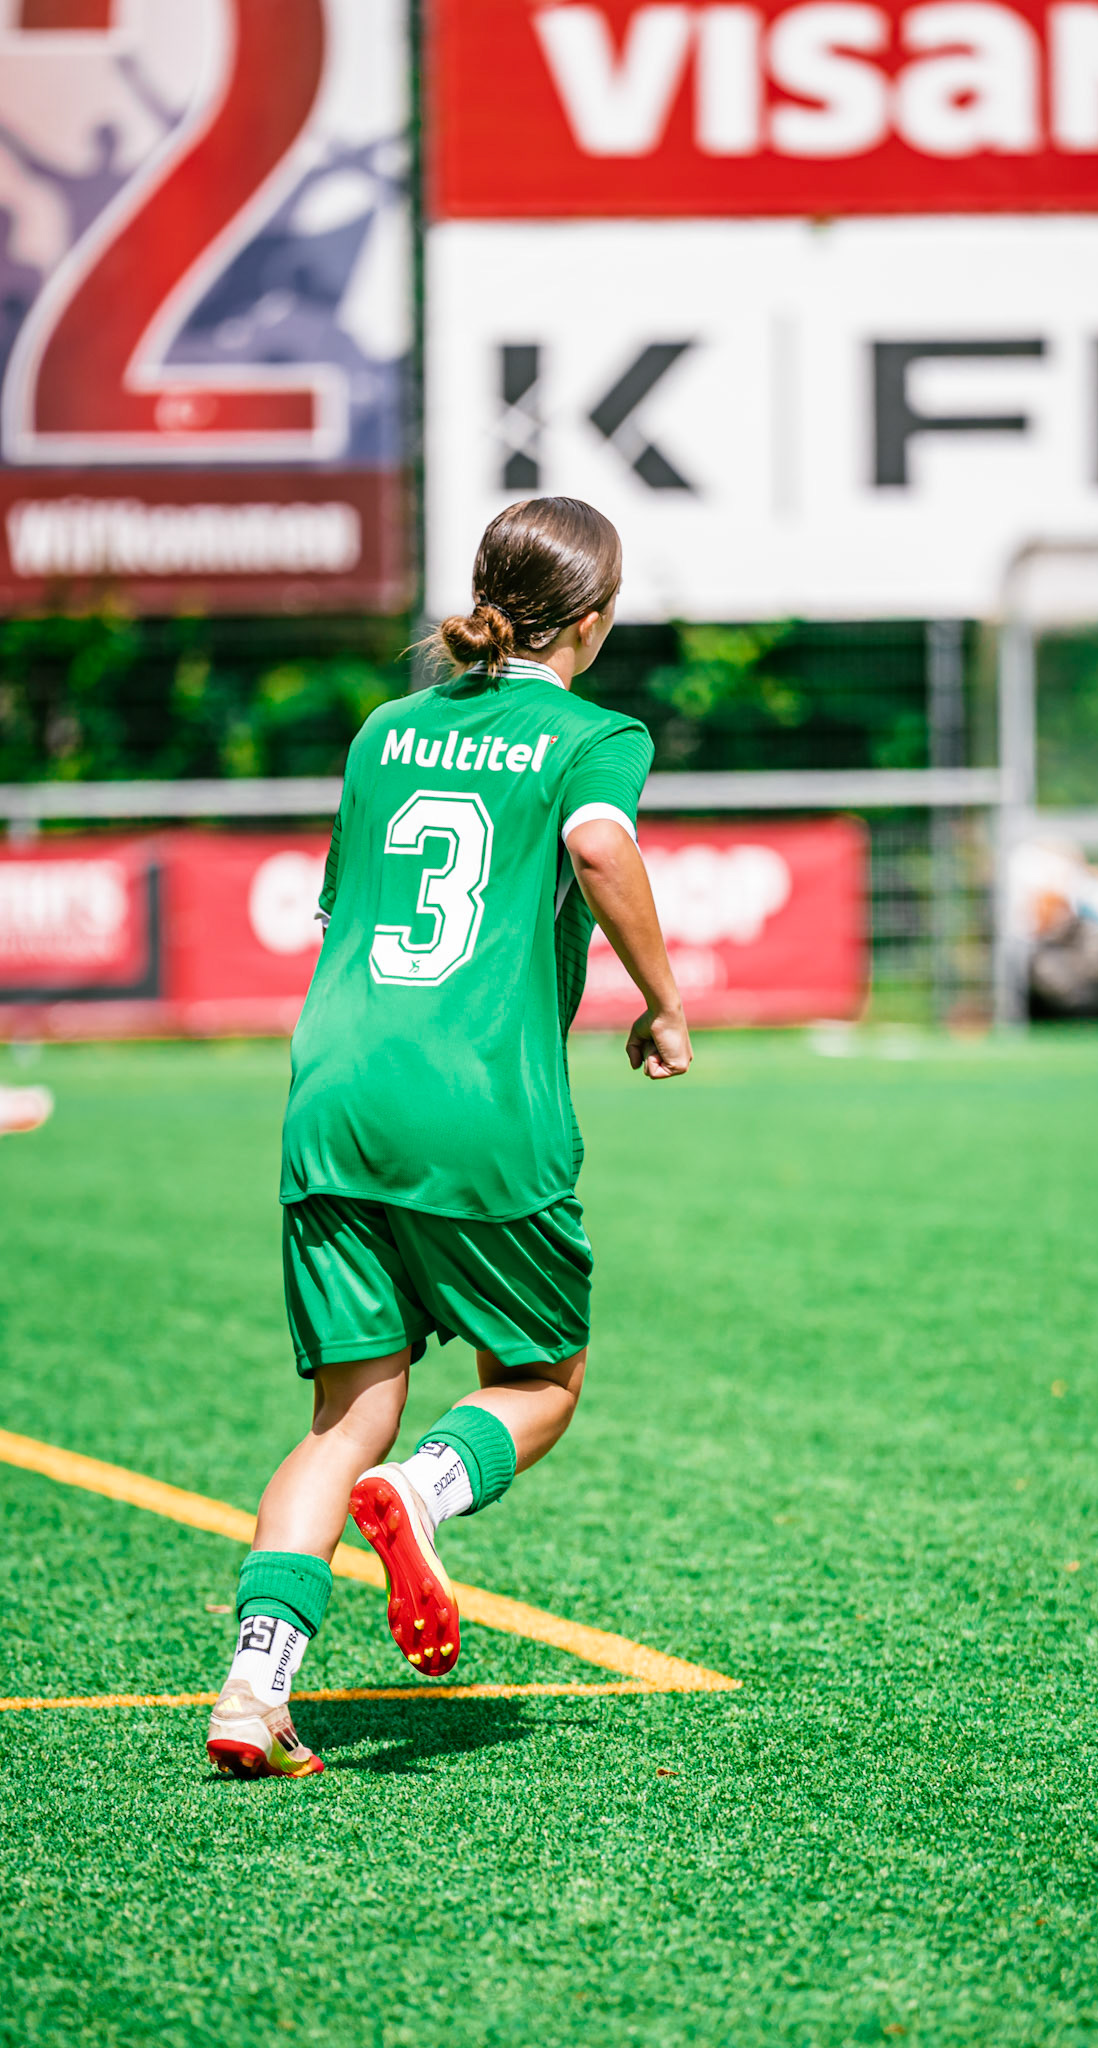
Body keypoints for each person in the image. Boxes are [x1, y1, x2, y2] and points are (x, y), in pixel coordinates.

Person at [206, 498, 692, 1779]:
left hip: (334, 1094)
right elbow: (598, 844)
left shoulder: (386, 729)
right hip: (479, 1105)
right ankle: (424, 1493)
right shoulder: (596, 733)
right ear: (593, 620)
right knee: (539, 1379)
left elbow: (341, 910)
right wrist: (664, 998)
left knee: (340, 1415)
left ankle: (254, 1686)